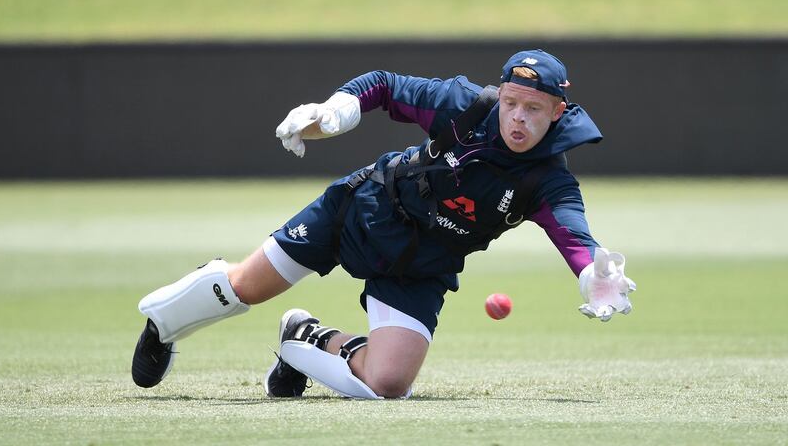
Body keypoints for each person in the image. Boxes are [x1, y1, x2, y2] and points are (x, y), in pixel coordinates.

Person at [131, 48, 637, 399]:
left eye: (533, 109)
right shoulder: (467, 106)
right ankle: (163, 325)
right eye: (511, 103)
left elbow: (575, 238)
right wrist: (336, 110)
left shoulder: (548, 179)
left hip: (422, 265)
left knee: (388, 385)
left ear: (558, 112)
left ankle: (303, 337)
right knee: (245, 287)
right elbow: (385, 85)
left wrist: (592, 276)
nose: (517, 118)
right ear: (499, 96)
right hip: (364, 211)